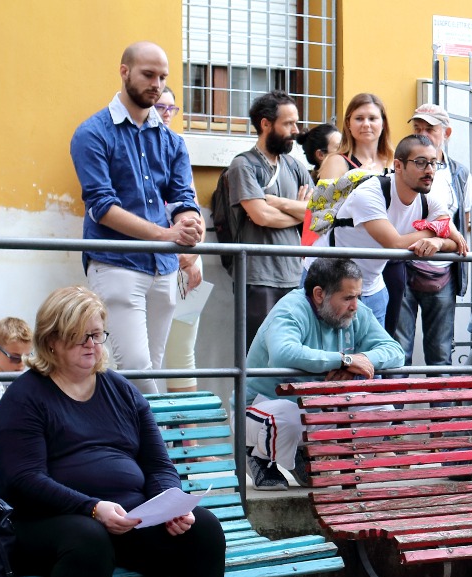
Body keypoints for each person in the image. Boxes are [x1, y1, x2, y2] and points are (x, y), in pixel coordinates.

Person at [0, 286, 250, 577]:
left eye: (98, 334)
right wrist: (91, 507)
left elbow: (158, 464)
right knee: (87, 538)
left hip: (126, 518)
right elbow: (25, 479)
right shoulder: (26, 398)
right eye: (81, 336)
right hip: (41, 523)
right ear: (52, 340)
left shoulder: (121, 390)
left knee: (202, 527)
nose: (93, 345)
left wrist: (169, 505)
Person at [69, 41, 203, 396]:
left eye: (162, 77)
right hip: (116, 263)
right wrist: (165, 234)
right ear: (124, 71)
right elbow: (102, 206)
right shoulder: (92, 133)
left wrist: (191, 224)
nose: (156, 84)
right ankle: (150, 447)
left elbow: (183, 198)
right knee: (138, 371)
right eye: (148, 74)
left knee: (153, 369)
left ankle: (144, 448)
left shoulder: (172, 142)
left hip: (162, 267)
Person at [244, 258, 404, 490]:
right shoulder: (290, 308)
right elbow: (282, 354)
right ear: (319, 294)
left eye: (357, 297)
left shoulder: (355, 313)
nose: (355, 306)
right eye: (348, 298)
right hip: (263, 408)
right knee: (288, 417)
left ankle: (313, 454)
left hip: (316, 407)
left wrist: (356, 365)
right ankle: (257, 454)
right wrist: (343, 360)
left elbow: (395, 351)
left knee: (381, 410)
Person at [313, 134, 466, 326]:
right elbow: (394, 244)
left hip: (371, 286)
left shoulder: (429, 198)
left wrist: (438, 241)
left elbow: (457, 242)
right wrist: (433, 229)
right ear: (399, 166)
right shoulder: (371, 193)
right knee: (328, 350)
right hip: (328, 280)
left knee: (374, 352)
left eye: (433, 163)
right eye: (420, 162)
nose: (429, 170)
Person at [226, 90, 311, 344]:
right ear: (266, 124)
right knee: (258, 354)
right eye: (288, 123)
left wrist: (277, 203)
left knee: (291, 352)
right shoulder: (243, 165)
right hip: (258, 277)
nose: (295, 130)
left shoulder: (295, 166)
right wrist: (298, 210)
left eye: (295, 123)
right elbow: (260, 215)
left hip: (295, 276)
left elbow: (318, 213)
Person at [394, 104, 471, 366]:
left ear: (446, 133)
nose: (423, 134)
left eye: (430, 129)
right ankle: (391, 407)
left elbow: (463, 225)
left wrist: (440, 241)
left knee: (440, 352)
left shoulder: (460, 173)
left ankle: (443, 408)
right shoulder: (401, 167)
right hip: (403, 265)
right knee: (398, 349)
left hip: (443, 269)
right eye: (418, 129)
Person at [152, 87, 207, 395]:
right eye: (161, 106)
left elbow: (192, 208)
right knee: (141, 353)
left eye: (172, 108)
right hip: (151, 261)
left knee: (183, 350)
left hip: (189, 262)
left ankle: (188, 439)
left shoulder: (177, 147)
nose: (166, 114)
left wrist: (194, 257)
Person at [317, 93, 391, 181]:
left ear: (383, 123)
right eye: (359, 119)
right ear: (348, 123)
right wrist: (354, 179)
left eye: (372, 118)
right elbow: (326, 194)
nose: (366, 124)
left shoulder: (394, 161)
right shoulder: (336, 162)